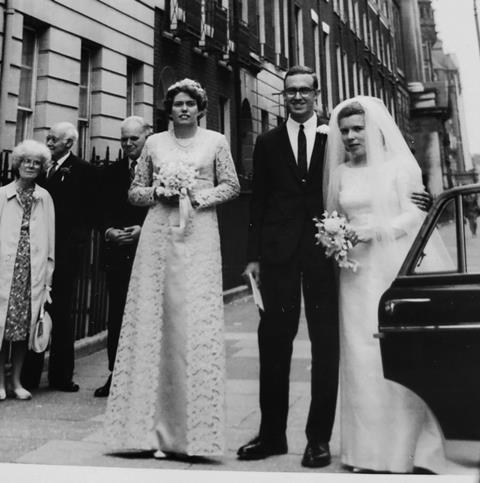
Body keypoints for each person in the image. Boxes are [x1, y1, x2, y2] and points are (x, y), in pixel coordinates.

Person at [237, 66, 433, 468]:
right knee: (274, 342)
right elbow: (257, 205)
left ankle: (318, 440)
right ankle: (271, 434)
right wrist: (253, 256)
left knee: (327, 347)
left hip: (328, 257)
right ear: (284, 97)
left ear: (316, 94)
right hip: (278, 257)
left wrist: (416, 201)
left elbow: (371, 177)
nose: (296, 97)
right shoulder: (268, 142)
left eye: (304, 90)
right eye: (290, 91)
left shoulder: (336, 140)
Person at [103, 78, 240, 457]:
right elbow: (135, 191)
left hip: (198, 234)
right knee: (154, 323)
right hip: (159, 235)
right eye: (177, 104)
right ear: (169, 109)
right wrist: (160, 193)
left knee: (189, 324)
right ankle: (145, 433)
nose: (183, 109)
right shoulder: (153, 144)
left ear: (199, 108)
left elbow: (231, 185)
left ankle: (190, 435)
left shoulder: (215, 142)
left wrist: (197, 196)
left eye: (189, 104)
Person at [323, 96, 459, 474]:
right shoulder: (342, 172)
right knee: (361, 354)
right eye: (345, 130)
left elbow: (415, 213)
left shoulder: (401, 166)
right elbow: (335, 214)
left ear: (375, 130)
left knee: (398, 354)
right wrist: (336, 236)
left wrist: (372, 231)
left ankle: (407, 449)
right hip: (355, 273)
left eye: (357, 129)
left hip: (393, 267)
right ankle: (367, 452)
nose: (350, 137)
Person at [21, 122, 97, 392]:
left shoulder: (83, 170)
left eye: (55, 139)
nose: (49, 142)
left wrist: (74, 246)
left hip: (64, 252)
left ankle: (61, 376)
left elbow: (88, 212)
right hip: (38, 251)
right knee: (34, 309)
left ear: (69, 143)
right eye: (48, 138)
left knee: (62, 313)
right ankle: (28, 376)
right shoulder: (40, 167)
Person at [94, 117, 150, 398]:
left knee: (147, 316)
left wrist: (144, 230)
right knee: (116, 315)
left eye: (134, 139)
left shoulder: (159, 169)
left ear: (146, 138)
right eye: (124, 139)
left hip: (148, 253)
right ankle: (116, 375)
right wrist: (108, 232)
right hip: (118, 254)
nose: (128, 144)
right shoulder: (111, 172)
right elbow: (100, 209)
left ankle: (144, 378)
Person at [0, 140, 54, 401]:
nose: (31, 166)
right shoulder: (2, 195)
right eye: (26, 161)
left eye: (36, 162)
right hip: (4, 269)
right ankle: (0, 381)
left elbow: (50, 242)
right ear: (17, 164)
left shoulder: (44, 197)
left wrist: (47, 280)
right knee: (1, 327)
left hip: (31, 270)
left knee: (24, 328)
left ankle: (16, 381)